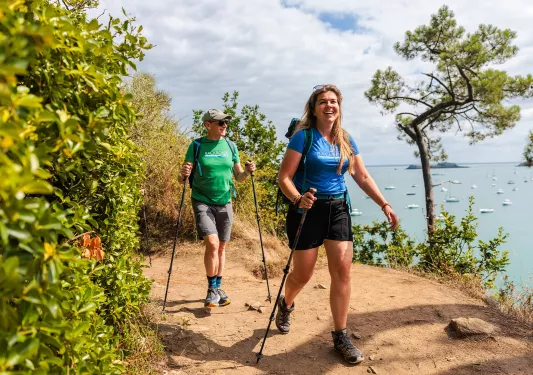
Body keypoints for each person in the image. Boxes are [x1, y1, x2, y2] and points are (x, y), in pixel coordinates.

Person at [276, 84, 399, 365]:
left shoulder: (345, 139)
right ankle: (287, 303)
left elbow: (362, 177)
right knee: (303, 275)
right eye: (323, 102)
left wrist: (385, 204)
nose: (329, 106)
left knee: (342, 271)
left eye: (334, 101)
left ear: (339, 107)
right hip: (307, 209)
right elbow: (284, 177)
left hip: (338, 209)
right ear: (314, 107)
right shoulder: (302, 138)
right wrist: (297, 199)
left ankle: (340, 335)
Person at [180, 109, 256, 308]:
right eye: (220, 123)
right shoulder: (196, 146)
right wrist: (183, 173)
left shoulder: (230, 146)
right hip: (202, 200)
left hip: (225, 201)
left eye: (225, 123)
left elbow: (238, 177)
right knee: (212, 244)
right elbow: (183, 178)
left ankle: (218, 288)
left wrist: (247, 172)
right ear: (208, 125)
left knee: (222, 246)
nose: (224, 127)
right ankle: (211, 289)